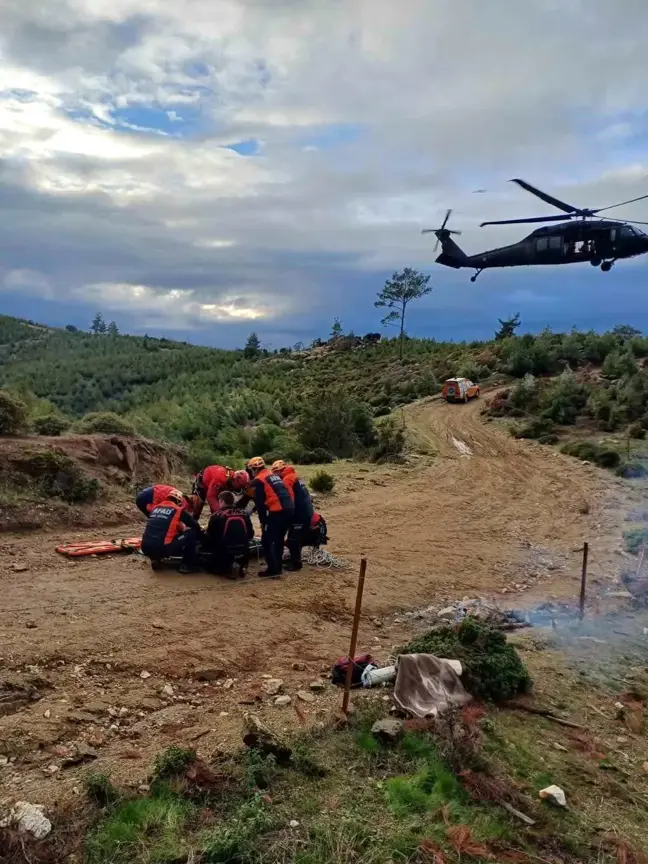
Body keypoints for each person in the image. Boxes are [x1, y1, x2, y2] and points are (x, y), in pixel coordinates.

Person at [246, 456, 294, 579]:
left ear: (253, 469)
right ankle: (277, 567)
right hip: (289, 509)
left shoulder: (258, 480)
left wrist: (263, 522)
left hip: (278, 511)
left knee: (266, 540)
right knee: (278, 539)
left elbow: (260, 504)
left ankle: (273, 570)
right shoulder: (272, 475)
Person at [141, 490, 203, 574]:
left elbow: (163, 524)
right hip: (164, 548)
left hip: (145, 547)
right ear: (179, 501)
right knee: (192, 532)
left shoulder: (155, 508)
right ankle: (187, 565)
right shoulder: (177, 510)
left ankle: (156, 559)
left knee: (159, 534)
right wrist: (203, 536)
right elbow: (195, 525)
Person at [270, 460, 314, 571]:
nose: (274, 476)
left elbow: (289, 500)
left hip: (300, 513)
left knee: (292, 540)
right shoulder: (294, 476)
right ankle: (294, 559)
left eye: (275, 473)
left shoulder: (287, 479)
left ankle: (296, 564)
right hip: (306, 510)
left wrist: (286, 515)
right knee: (294, 537)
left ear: (279, 471)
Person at [203, 491, 254, 578]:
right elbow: (250, 534)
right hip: (243, 552)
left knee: (205, 560)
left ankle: (228, 567)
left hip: (225, 554)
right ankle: (239, 565)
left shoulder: (216, 516)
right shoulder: (244, 513)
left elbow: (210, 538)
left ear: (222, 501)